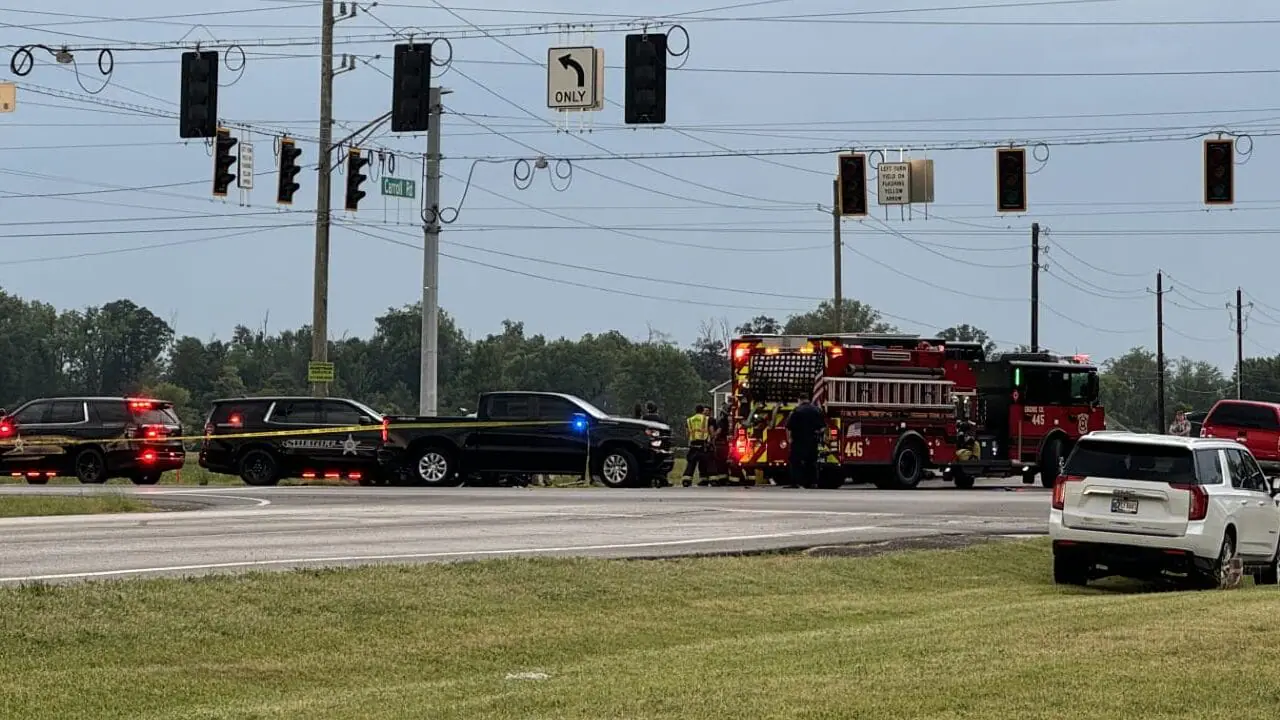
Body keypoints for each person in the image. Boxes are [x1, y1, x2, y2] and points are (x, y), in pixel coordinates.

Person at [784, 396, 826, 489]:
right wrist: (817, 433)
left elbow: (788, 426)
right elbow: (822, 428)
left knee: (795, 462)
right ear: (808, 400)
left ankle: (795, 483)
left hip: (798, 440)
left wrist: (789, 439)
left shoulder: (796, 411)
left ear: (799, 400)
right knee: (811, 462)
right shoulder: (816, 410)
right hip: (812, 440)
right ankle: (813, 483)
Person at [682, 404, 713, 487]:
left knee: (691, 463)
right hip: (703, 444)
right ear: (703, 410)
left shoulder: (689, 420)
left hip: (693, 444)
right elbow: (711, 432)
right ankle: (713, 480)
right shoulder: (706, 419)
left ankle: (686, 480)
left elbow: (687, 433)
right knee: (708, 462)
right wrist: (711, 440)